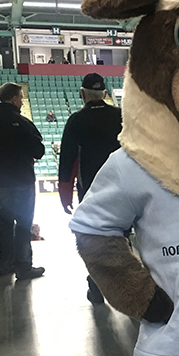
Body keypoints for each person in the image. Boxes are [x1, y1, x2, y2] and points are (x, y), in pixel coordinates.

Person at [58, 72, 122, 303]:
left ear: (82, 94)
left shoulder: (76, 121)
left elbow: (67, 160)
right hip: (123, 189)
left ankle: (96, 289)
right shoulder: (121, 116)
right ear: (105, 93)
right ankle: (126, 288)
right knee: (122, 237)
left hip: (91, 192)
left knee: (94, 240)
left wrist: (65, 195)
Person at [0, 82, 45, 279]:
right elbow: (38, 151)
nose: (22, 102)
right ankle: (23, 266)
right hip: (22, 180)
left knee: (5, 223)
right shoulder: (22, 123)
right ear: (14, 99)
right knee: (23, 223)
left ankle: (4, 264)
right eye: (21, 98)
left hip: (0, 180)